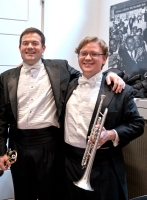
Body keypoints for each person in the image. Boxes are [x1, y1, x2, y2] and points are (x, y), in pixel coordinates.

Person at [0, 27, 125, 200]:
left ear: (43, 48)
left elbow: (88, 75)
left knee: (51, 194)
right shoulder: (7, 77)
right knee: (22, 193)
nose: (30, 47)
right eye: (25, 43)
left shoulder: (59, 67)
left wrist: (111, 73)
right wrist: (1, 151)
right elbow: (2, 116)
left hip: (50, 144)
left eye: (35, 43)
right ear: (19, 48)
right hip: (18, 145)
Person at [63, 36, 144, 200]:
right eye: (83, 53)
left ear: (104, 58)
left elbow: (137, 124)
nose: (87, 58)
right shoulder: (69, 84)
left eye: (94, 54)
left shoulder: (119, 89)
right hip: (69, 163)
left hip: (103, 166)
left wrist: (111, 134)